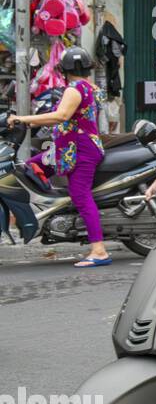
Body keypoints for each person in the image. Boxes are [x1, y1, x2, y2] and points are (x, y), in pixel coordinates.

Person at [7, 47, 110, 268]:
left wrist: (24, 118)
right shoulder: (90, 87)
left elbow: (61, 116)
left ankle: (99, 250)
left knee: (80, 195)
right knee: (28, 169)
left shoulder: (74, 90)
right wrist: (30, 122)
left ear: (64, 69)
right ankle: (30, 216)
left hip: (79, 151)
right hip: (65, 150)